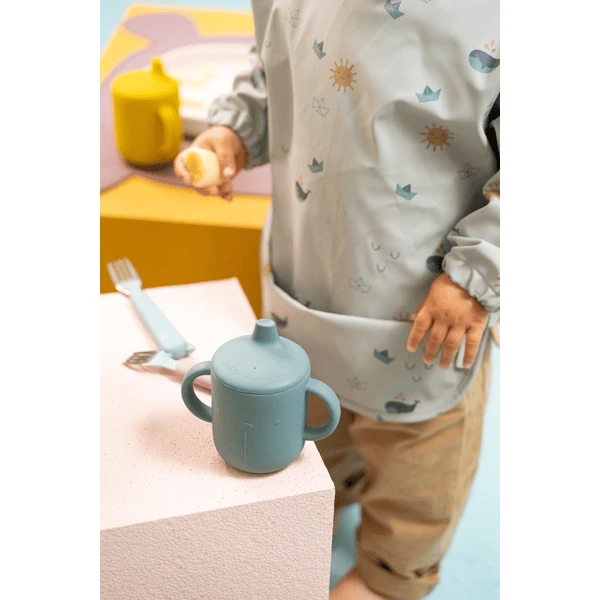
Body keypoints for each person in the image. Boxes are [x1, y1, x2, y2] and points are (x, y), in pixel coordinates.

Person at [176, 2, 499, 598]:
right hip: (311, 282)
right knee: (321, 428)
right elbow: (275, 69)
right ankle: (324, 502)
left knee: (419, 475)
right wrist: (236, 131)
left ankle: (386, 574)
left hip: (429, 312)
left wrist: (476, 273)